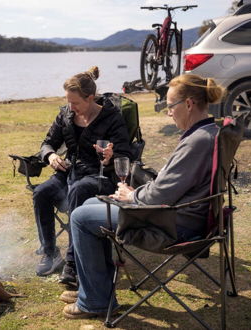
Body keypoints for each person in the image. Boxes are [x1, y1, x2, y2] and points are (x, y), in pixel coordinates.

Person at [60, 74, 226, 319]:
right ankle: (95, 288)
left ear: (189, 104)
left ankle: (95, 300)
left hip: (174, 223)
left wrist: (132, 194)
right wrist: (137, 194)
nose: (168, 112)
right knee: (89, 203)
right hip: (183, 214)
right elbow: (171, 187)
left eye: (170, 106)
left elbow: (160, 193)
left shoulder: (197, 141)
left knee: (80, 217)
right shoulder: (211, 131)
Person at [33, 66, 134, 280]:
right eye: (68, 101)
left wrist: (111, 156)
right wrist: (50, 155)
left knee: (79, 190)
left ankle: (73, 261)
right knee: (42, 192)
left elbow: (125, 155)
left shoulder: (112, 117)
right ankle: (50, 253)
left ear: (90, 98)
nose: (71, 107)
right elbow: (48, 143)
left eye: (76, 103)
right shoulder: (66, 115)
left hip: (100, 176)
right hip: (69, 172)